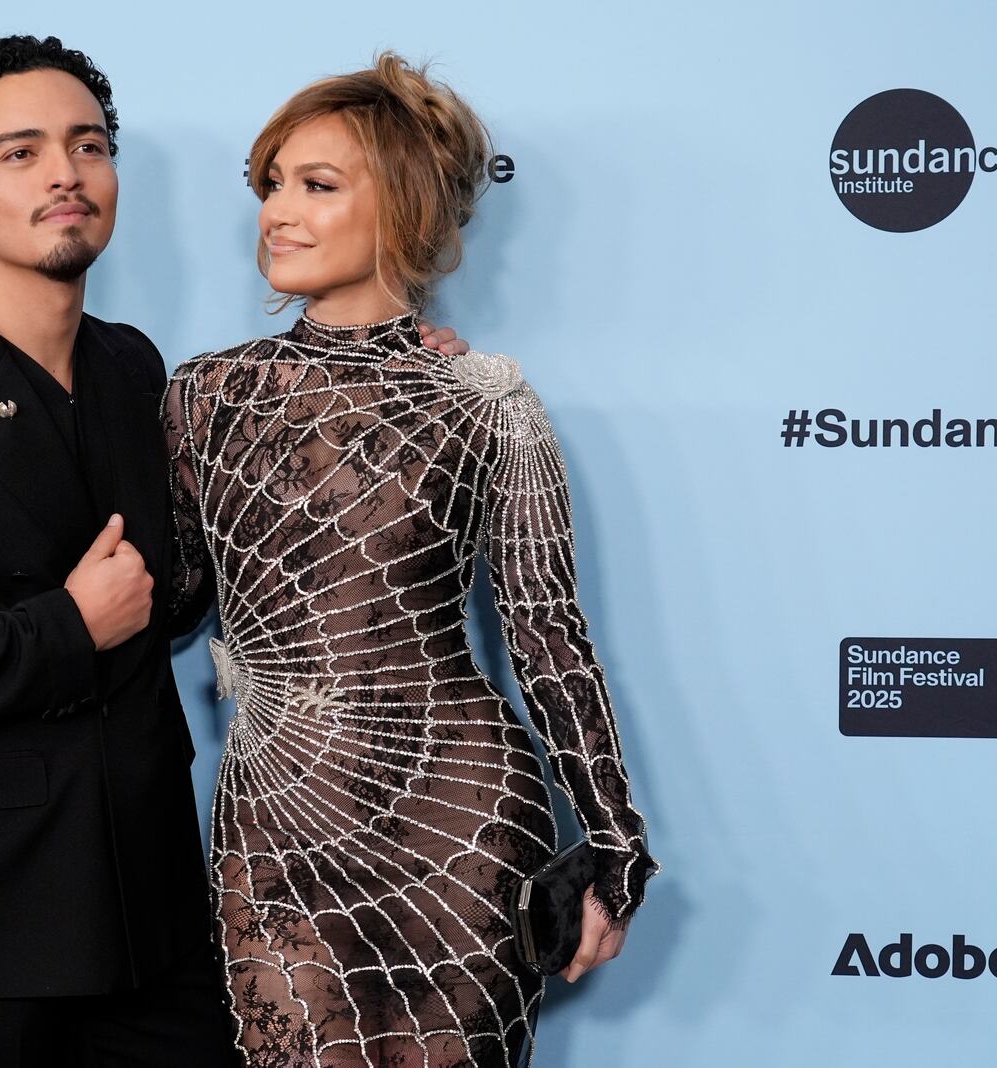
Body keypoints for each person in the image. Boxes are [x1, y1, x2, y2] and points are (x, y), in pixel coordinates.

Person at [0, 35, 467, 1067]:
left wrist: (371, 392)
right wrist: (64, 629)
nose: (65, 172)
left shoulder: (134, 370)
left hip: (154, 931)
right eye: (20, 153)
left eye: (88, 145)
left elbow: (179, 586)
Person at [162, 54, 658, 1066]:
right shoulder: (199, 396)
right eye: (271, 184)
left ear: (407, 207)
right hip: (272, 825)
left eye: (317, 184)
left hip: (459, 820)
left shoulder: (485, 398)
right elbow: (169, 606)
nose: (276, 212)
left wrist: (615, 847)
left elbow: (546, 633)